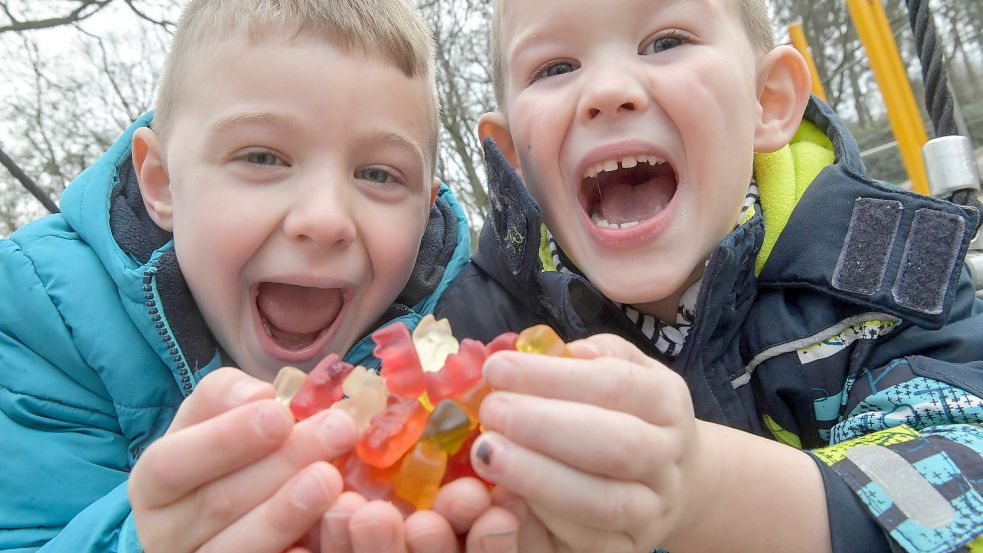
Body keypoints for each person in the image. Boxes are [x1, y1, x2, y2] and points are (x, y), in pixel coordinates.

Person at [431, 0, 983, 551]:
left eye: (666, 42)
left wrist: (703, 489)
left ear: (767, 100)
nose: (606, 90)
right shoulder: (481, 328)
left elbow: (965, 482)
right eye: (555, 68)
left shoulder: (881, 264)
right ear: (513, 159)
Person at [0, 0, 505, 550]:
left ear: (425, 210)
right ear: (163, 182)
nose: (324, 219)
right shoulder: (42, 316)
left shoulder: (459, 335)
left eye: (379, 173)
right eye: (263, 158)